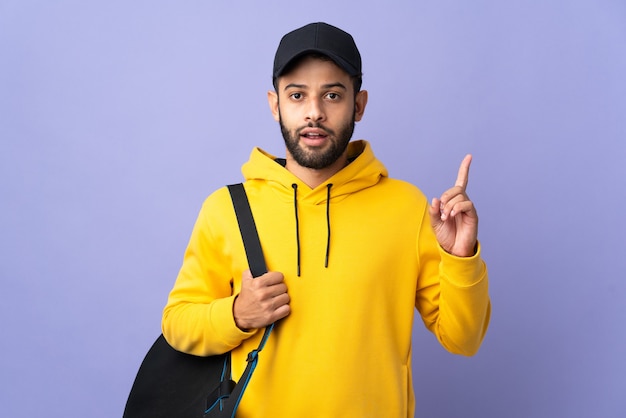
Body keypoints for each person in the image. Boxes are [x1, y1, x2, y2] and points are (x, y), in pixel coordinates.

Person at [162, 22, 491, 417]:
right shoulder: (227, 208)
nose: (314, 112)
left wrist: (461, 256)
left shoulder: (408, 206)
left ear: (359, 104)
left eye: (332, 95)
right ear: (274, 104)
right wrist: (236, 314)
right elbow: (177, 322)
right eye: (297, 95)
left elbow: (464, 339)